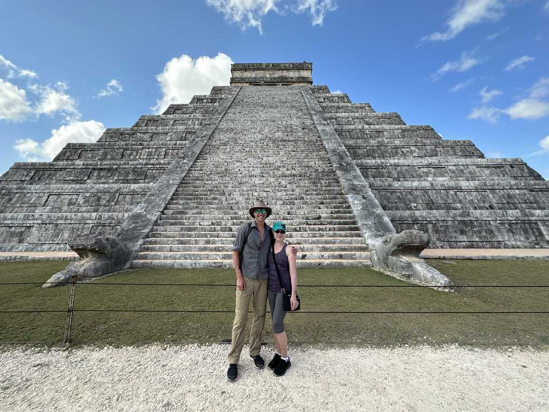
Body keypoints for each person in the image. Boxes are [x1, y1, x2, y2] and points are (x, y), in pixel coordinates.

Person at [227, 200, 273, 381]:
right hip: (245, 279)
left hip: (263, 278)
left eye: (263, 210)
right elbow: (235, 251)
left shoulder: (270, 231)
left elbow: (277, 246)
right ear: (253, 213)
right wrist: (238, 276)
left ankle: (255, 351)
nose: (260, 213)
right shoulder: (245, 229)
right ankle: (233, 360)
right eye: (257, 210)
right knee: (240, 318)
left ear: (266, 214)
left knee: (259, 316)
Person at [266, 221, 298, 377]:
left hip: (283, 291)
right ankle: (278, 353)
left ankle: (285, 358)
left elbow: (293, 273)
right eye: (277, 231)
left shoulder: (288, 249)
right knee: (274, 323)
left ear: (285, 233)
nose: (279, 234)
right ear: (273, 232)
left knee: (277, 324)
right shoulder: (269, 247)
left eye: (282, 231)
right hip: (270, 290)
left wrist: (293, 294)